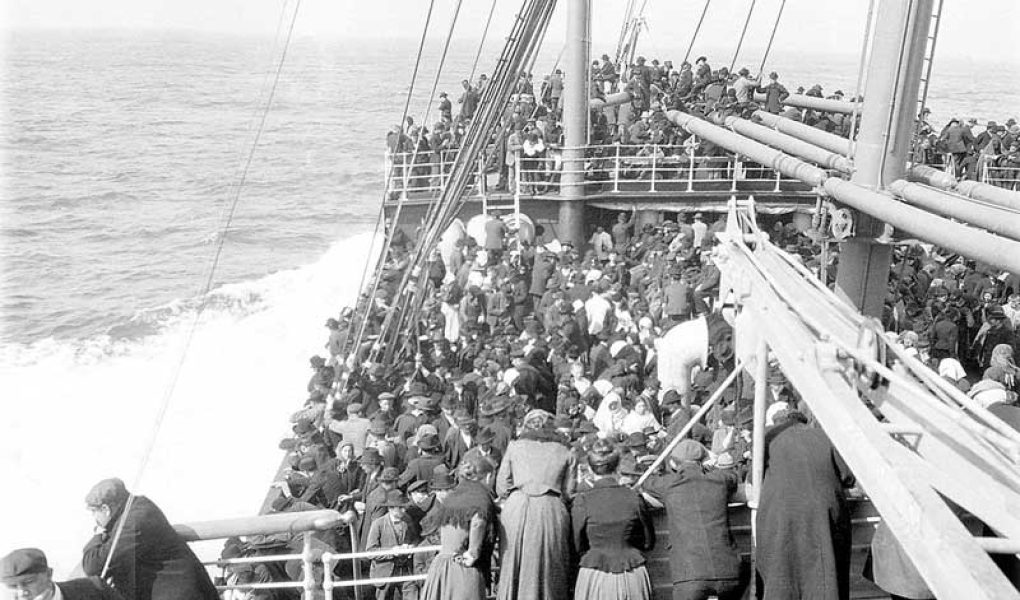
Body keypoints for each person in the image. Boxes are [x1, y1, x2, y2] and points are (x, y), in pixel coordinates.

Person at [756, 412, 856, 600]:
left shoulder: (767, 437)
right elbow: (848, 476)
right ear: (805, 421)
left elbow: (754, 476)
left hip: (780, 514)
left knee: (780, 568)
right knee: (825, 570)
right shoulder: (824, 436)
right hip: (823, 512)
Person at [639, 439, 747, 600]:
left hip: (689, 575)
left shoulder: (669, 484)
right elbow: (731, 476)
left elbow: (646, 482)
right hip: (728, 571)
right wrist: (709, 468)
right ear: (703, 460)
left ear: (673, 463)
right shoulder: (720, 480)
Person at [80, 478, 219, 600]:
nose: (94, 519)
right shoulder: (138, 508)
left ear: (105, 509)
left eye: (94, 512)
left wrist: (98, 534)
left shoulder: (134, 522)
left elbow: (93, 566)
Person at [496, 409, 577, 600]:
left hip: (517, 506)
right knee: (550, 563)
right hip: (550, 507)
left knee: (512, 561)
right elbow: (569, 491)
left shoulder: (514, 447)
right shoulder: (566, 451)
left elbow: (501, 486)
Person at [571, 439, 655, 600]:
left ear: (590, 469)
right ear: (618, 467)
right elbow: (648, 541)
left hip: (594, 572)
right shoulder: (634, 497)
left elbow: (577, 543)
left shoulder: (583, 500)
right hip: (631, 572)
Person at [420, 456, 498, 600]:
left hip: (441, 566)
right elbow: (478, 522)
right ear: (487, 476)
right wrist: (473, 553)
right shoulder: (479, 496)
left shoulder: (454, 496)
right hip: (461, 569)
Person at [2, 548, 124, 600]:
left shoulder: (95, 588)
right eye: (12, 586)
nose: (21, 593)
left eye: (28, 582)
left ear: (49, 574)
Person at [366, 490, 422, 600]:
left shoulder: (407, 520)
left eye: (404, 507)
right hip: (385, 572)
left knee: (412, 595)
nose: (404, 510)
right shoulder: (378, 524)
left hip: (405, 570)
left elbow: (415, 539)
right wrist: (392, 551)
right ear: (390, 508)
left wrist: (411, 547)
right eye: (400, 508)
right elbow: (370, 551)